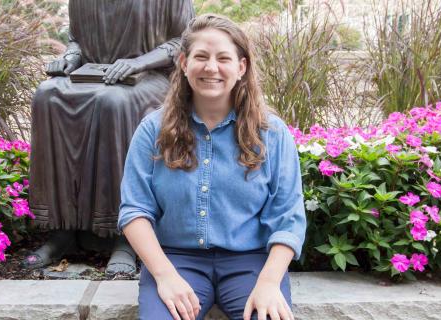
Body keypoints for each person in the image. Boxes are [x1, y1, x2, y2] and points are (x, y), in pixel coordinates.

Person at [118, 14, 306, 320]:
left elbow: (289, 217)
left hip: (251, 263)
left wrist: (269, 282)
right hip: (176, 261)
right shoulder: (152, 130)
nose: (211, 67)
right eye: (201, 57)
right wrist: (164, 276)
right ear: (183, 62)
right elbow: (134, 210)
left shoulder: (272, 133)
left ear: (241, 67)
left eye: (223, 58)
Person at [27, 0, 194, 274]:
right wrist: (70, 58)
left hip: (152, 77)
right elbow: (76, 40)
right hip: (92, 75)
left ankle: (125, 236)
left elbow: (184, 40)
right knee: (46, 96)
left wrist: (138, 63)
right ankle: (62, 228)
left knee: (113, 103)